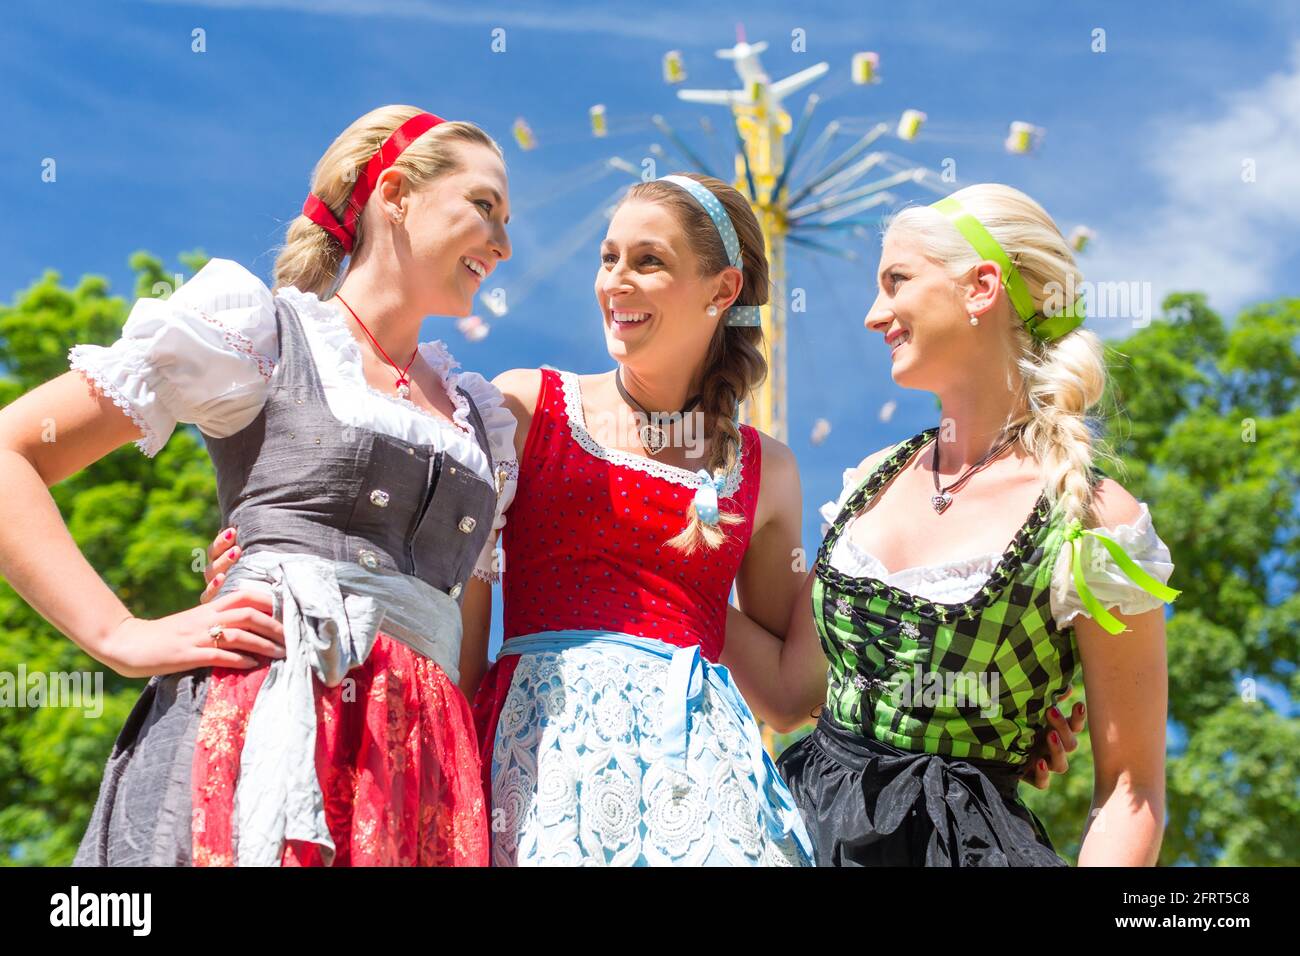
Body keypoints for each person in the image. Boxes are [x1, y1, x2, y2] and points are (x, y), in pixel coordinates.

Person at [0, 104, 515, 866]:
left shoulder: (481, 420)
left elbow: (466, 648)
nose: (503, 244)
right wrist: (121, 636)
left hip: (422, 775)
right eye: (485, 208)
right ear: (397, 194)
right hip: (257, 726)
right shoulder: (265, 335)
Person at [729, 183, 1177, 866]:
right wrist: (659, 572)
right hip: (798, 836)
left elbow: (1129, 788)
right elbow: (792, 696)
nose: (875, 315)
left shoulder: (1094, 521)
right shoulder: (871, 480)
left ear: (981, 287)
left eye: (896, 281)